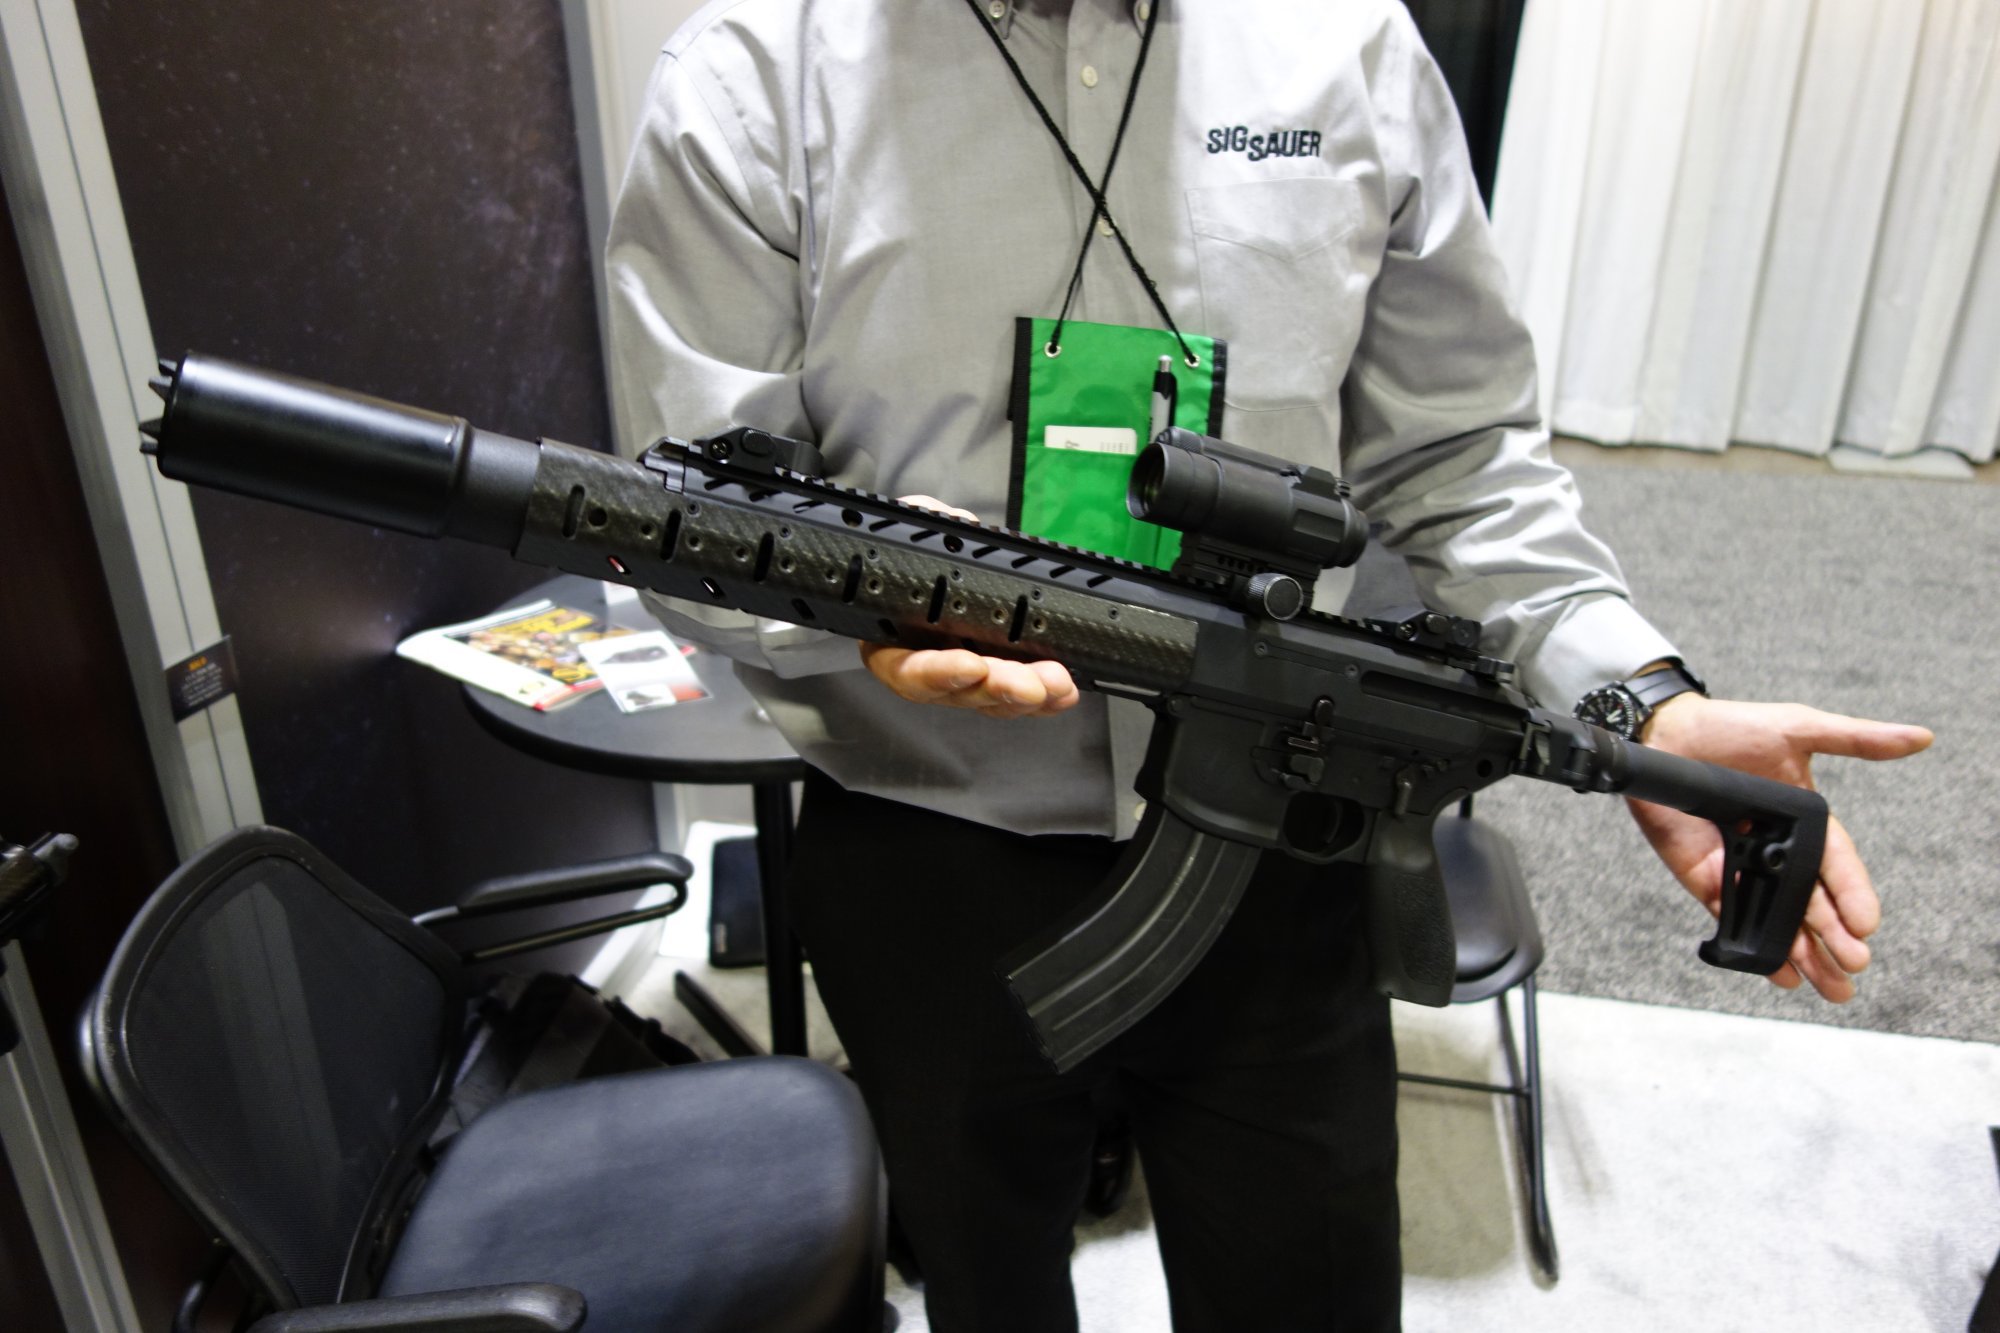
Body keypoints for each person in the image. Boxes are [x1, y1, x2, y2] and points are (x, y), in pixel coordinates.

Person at [604, 2, 1933, 1328]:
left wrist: (1643, 698)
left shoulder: (1346, 44)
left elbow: (1460, 455)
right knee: (982, 1284)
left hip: (1283, 837)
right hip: (927, 851)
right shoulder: (753, 76)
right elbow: (693, 507)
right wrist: (872, 614)